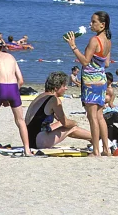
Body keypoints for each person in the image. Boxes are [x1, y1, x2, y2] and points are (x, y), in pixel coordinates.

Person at [64, 11, 112, 156]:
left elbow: (84, 61)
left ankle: (96, 150)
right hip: (101, 80)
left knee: (92, 118)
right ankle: (106, 149)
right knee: (100, 116)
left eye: (93, 22)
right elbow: (107, 63)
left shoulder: (94, 40)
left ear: (102, 25)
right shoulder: (108, 41)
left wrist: (73, 46)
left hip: (91, 82)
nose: (91, 24)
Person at [0, 39, 32, 156]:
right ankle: (27, 150)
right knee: (20, 121)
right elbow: (21, 80)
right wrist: (11, 95)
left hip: (0, 89)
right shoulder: (11, 57)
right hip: (13, 89)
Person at [25, 71, 94, 149]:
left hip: (29, 140)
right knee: (72, 127)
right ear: (56, 88)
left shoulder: (40, 97)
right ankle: (97, 138)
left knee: (62, 125)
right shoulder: (54, 99)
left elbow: (60, 120)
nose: (66, 88)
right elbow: (66, 123)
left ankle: (93, 140)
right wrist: (75, 122)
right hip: (39, 141)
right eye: (64, 86)